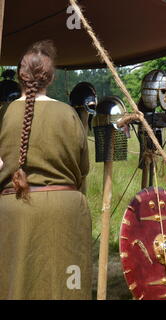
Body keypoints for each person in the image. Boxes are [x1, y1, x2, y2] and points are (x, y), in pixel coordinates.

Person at [0, 40, 92, 300]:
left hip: (14, 212)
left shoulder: (3, 114)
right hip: (65, 211)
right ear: (50, 78)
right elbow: (82, 168)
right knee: (65, 288)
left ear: (20, 75)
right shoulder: (68, 114)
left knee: (14, 286)